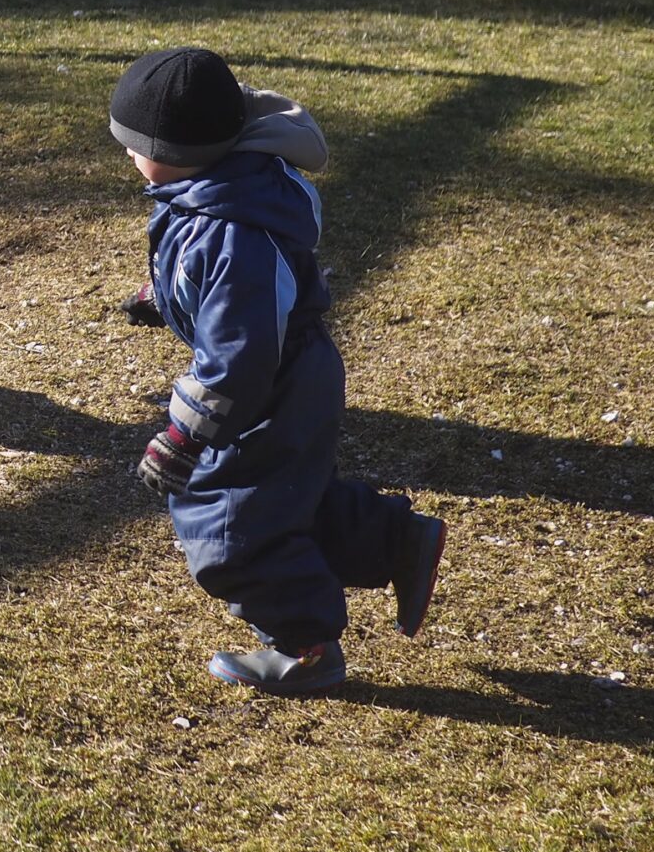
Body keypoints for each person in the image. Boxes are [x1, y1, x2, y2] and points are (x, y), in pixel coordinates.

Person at [113, 45, 443, 694]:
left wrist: (182, 436)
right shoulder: (218, 187)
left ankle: (307, 647)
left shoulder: (234, 231)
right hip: (285, 371)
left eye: (133, 146)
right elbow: (219, 286)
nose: (127, 158)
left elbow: (241, 353)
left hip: (272, 387)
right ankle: (391, 539)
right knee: (280, 498)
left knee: (229, 527)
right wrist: (172, 296)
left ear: (177, 151)